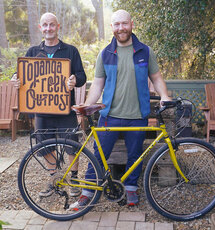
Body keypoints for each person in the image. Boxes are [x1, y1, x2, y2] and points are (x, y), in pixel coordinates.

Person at [70, 9, 170, 209]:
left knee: (135, 155)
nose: (121, 28)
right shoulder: (105, 54)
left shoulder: (145, 51)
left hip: (137, 115)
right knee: (99, 155)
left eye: (124, 24)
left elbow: (156, 77)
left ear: (131, 24)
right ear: (112, 27)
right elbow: (97, 84)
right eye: (117, 25)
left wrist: (165, 96)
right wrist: (88, 104)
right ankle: (88, 192)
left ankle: (131, 187)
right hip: (110, 115)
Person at [12, 12, 86, 197]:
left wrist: (74, 80)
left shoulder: (70, 51)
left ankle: (74, 179)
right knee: (44, 145)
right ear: (40, 28)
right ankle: (56, 179)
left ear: (58, 26)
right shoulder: (32, 52)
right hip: (42, 110)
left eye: (51, 25)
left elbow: (82, 77)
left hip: (65, 108)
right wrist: (16, 81)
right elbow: (21, 77)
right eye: (44, 25)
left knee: (71, 144)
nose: (48, 28)